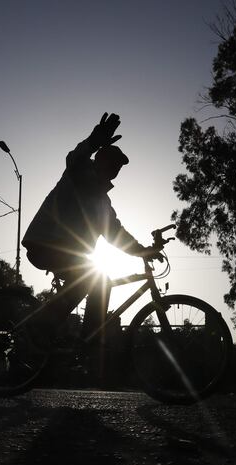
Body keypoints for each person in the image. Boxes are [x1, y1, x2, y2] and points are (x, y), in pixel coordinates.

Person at [22, 112, 160, 346]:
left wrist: (143, 251)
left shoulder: (102, 202)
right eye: (113, 163)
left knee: (99, 280)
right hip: (44, 243)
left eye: (119, 167)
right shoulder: (78, 174)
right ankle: (44, 327)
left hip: (66, 252)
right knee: (91, 277)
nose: (116, 169)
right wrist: (95, 140)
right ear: (100, 161)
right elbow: (74, 157)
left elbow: (116, 234)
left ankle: (86, 340)